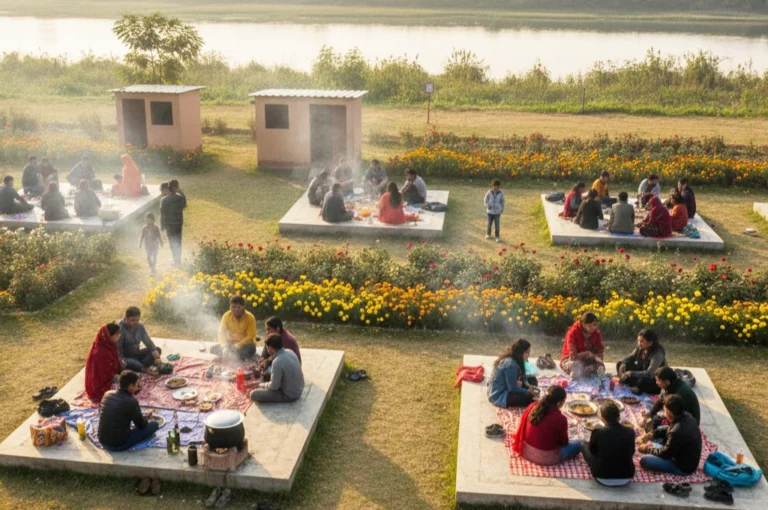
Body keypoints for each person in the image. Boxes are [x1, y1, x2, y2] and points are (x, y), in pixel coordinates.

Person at [513, 385, 583, 465]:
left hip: (526, 451)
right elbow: (564, 442)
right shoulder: (560, 418)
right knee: (581, 443)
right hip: (547, 458)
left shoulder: (532, 406)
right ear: (561, 403)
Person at [638, 395, 702, 476]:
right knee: (661, 430)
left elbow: (665, 454)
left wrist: (647, 450)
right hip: (685, 455)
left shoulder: (676, 432)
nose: (664, 411)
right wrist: (653, 434)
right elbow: (669, 428)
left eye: (665, 409)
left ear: (669, 412)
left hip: (682, 466)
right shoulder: (687, 416)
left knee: (644, 460)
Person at [98, 371, 160, 451]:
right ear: (131, 386)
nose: (137, 387)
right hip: (118, 444)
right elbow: (141, 425)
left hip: (102, 441)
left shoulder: (107, 394)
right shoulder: (131, 401)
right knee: (154, 425)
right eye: (136, 385)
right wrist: (147, 418)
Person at [581, 402, 635, 486]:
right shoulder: (630, 432)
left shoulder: (598, 432)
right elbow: (632, 452)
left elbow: (593, 452)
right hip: (626, 476)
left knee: (583, 444)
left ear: (602, 418)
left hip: (601, 476)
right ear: (619, 417)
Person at [251, 334, 305, 403]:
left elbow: (274, 386)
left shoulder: (277, 362)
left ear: (270, 348)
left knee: (254, 394)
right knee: (268, 373)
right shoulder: (290, 351)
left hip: (289, 395)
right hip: (299, 389)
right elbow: (272, 359)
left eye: (267, 347)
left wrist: (261, 385)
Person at [487, 339, 538, 408]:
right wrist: (527, 391)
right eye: (526, 352)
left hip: (510, 385)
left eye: (529, 352)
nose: (528, 355)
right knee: (529, 398)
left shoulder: (519, 359)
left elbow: (523, 376)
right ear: (520, 352)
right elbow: (512, 388)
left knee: (533, 380)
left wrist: (528, 386)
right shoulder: (510, 364)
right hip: (500, 394)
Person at [616, 329, 666, 395]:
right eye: (638, 341)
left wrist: (631, 373)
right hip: (642, 372)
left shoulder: (657, 354)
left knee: (641, 382)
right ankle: (633, 385)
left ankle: (636, 387)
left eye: (642, 341)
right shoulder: (640, 348)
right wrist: (622, 365)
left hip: (655, 379)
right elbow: (630, 358)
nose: (639, 343)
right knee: (621, 364)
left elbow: (649, 374)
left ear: (650, 343)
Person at [85, 323, 123, 403]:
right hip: (100, 386)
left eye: (119, 333)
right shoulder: (101, 352)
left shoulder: (108, 345)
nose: (119, 335)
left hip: (108, 377)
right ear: (109, 336)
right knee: (126, 389)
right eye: (117, 334)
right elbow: (105, 375)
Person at [560, 311, 605, 378]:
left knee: (599, 365)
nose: (592, 328)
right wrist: (585, 354)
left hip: (588, 360)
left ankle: (588, 370)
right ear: (583, 325)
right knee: (574, 367)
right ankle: (577, 371)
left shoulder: (596, 333)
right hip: (571, 359)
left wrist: (595, 357)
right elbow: (572, 355)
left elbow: (600, 350)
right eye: (589, 326)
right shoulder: (573, 332)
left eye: (594, 325)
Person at [212, 295, 257, 361]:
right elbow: (221, 333)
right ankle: (234, 356)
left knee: (251, 348)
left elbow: (250, 337)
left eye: (238, 307)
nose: (236, 310)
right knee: (213, 349)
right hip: (230, 344)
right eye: (233, 307)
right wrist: (225, 347)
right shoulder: (226, 316)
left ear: (243, 307)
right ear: (230, 307)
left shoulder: (250, 318)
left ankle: (234, 356)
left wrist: (237, 346)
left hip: (243, 345)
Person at [117, 307, 160, 372]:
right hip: (126, 358)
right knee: (133, 363)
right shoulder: (120, 328)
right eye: (133, 320)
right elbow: (118, 350)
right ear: (126, 318)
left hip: (137, 354)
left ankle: (140, 366)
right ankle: (140, 366)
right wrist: (121, 361)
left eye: (137, 320)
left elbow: (148, 341)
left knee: (157, 350)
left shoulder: (140, 325)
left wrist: (154, 352)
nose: (135, 322)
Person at [160, 179, 186, 268]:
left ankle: (175, 261)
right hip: (178, 223)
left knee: (172, 242)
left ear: (168, 187)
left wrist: (162, 225)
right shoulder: (180, 197)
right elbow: (184, 205)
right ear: (176, 187)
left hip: (169, 225)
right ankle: (178, 260)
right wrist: (180, 191)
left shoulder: (164, 199)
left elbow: (162, 213)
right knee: (178, 241)